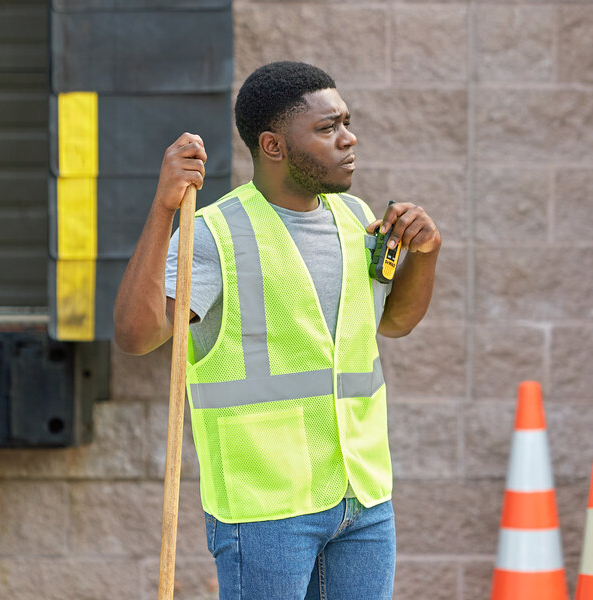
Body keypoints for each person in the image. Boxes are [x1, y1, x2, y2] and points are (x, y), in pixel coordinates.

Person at [114, 61, 441, 600]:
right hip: (265, 511)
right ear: (272, 145)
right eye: (326, 128)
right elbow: (136, 334)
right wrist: (164, 209)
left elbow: (394, 322)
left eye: (346, 122)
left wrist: (425, 257)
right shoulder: (215, 233)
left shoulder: (354, 219)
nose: (348, 137)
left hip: (363, 502)